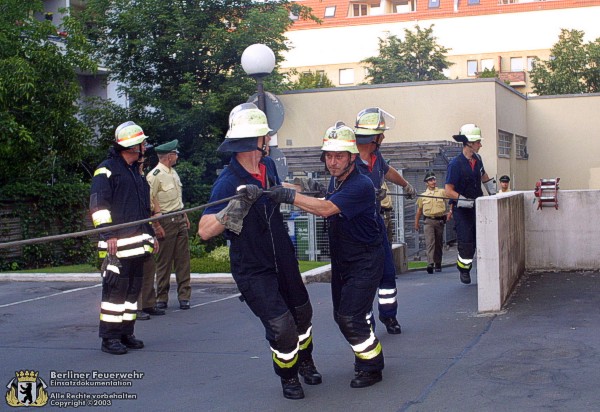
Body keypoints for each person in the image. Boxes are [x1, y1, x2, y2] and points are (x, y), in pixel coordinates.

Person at [198, 103, 321, 400]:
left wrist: (304, 187)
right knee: (282, 327)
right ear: (257, 141)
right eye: (266, 136)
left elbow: (280, 187)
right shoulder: (228, 182)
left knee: (302, 316)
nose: (269, 140)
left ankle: (305, 361)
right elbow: (204, 230)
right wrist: (238, 204)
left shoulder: (268, 168)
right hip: (253, 268)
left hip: (283, 259)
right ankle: (288, 376)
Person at [266, 122, 385, 389]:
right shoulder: (337, 179)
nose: (332, 162)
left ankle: (372, 366)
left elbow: (326, 209)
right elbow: (319, 198)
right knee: (344, 316)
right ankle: (366, 359)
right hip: (345, 260)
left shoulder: (360, 185)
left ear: (352, 157)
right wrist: (270, 187)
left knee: (349, 317)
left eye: (339, 156)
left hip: (365, 260)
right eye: (329, 156)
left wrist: (287, 195)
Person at [89, 121, 157, 355]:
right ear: (131, 146)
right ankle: (109, 338)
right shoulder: (107, 170)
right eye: (142, 143)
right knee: (114, 295)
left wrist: (150, 234)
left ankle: (126, 332)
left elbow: (141, 209)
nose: (145, 146)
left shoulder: (135, 172)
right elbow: (99, 206)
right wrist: (108, 234)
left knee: (131, 293)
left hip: (137, 245)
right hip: (116, 247)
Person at [353, 107, 416, 335]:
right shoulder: (349, 160)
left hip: (376, 222)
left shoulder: (375, 157)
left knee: (387, 273)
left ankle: (389, 316)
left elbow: (387, 171)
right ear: (373, 138)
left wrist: (405, 185)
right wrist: (367, 194)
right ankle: (366, 322)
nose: (384, 137)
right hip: (357, 229)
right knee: (365, 278)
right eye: (381, 133)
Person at [445, 124, 496, 285]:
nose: (480, 145)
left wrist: (494, 193)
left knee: (482, 239)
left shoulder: (478, 160)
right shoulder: (455, 164)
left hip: (478, 207)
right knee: (466, 241)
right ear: (469, 143)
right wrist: (463, 200)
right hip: (463, 210)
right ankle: (464, 269)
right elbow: (448, 190)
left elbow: (484, 176)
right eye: (478, 142)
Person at [147, 139, 192, 310]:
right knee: (164, 262)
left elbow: (177, 198)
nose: (177, 156)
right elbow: (150, 201)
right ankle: (162, 297)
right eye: (175, 153)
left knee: (183, 261)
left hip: (179, 217)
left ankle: (184, 296)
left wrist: (184, 215)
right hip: (165, 220)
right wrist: (156, 225)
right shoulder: (155, 175)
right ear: (169, 156)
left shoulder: (173, 173)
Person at [414, 172, 451, 274]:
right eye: (430, 180)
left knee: (438, 243)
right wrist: (416, 223)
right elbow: (419, 210)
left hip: (439, 220)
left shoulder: (441, 192)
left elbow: (450, 201)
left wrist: (450, 212)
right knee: (430, 242)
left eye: (434, 179)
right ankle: (430, 263)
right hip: (428, 221)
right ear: (426, 183)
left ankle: (438, 263)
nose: (433, 182)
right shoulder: (423, 196)